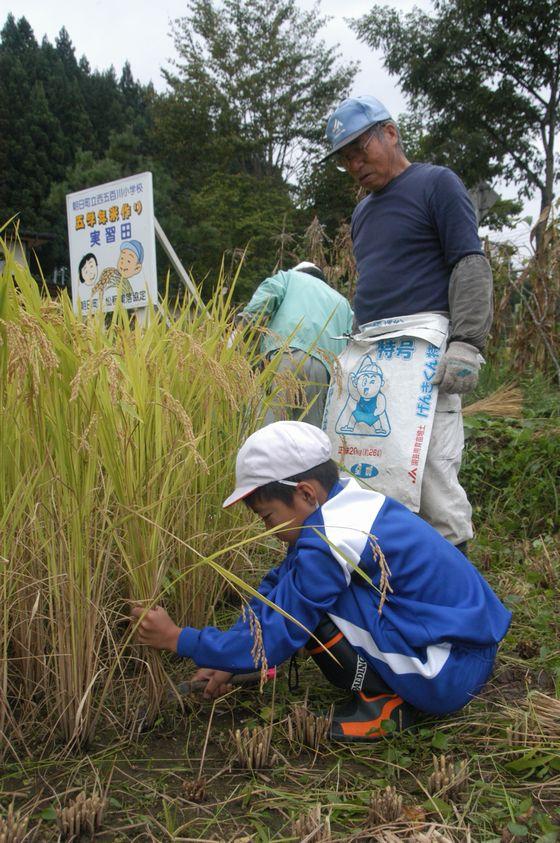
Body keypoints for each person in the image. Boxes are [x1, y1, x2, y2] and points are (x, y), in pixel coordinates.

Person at [131, 421, 510, 742]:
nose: (266, 530)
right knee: (304, 591)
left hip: (445, 673)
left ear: (306, 493)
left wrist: (178, 639)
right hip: (463, 653)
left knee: (314, 608)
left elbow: (284, 621)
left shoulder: (334, 538)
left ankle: (383, 706)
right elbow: (277, 586)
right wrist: (229, 657)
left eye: (267, 517)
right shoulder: (342, 505)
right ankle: (371, 683)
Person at [322, 96, 494, 552]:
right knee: (371, 470)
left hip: (425, 351)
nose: (356, 164)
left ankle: (451, 589)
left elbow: (468, 263)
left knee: (434, 473)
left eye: (361, 150)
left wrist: (467, 343)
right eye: (346, 159)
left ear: (391, 133)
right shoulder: (363, 214)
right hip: (374, 352)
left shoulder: (436, 184)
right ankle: (388, 577)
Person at [236, 261, 353, 427]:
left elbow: (263, 301)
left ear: (299, 271)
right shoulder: (343, 303)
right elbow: (350, 345)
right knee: (308, 435)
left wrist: (238, 330)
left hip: (286, 357)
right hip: (324, 371)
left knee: (271, 429)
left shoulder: (288, 277)